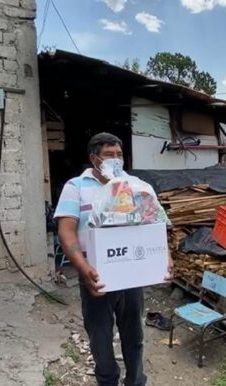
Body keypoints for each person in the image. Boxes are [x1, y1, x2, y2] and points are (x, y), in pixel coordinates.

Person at [54, 132, 173, 386]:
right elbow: (66, 231)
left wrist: (165, 258)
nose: (116, 160)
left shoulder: (135, 186)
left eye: (119, 155)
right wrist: (83, 269)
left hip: (131, 277)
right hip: (96, 278)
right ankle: (107, 381)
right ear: (94, 158)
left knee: (135, 336)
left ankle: (136, 381)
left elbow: (156, 224)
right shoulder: (76, 187)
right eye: (109, 155)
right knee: (100, 338)